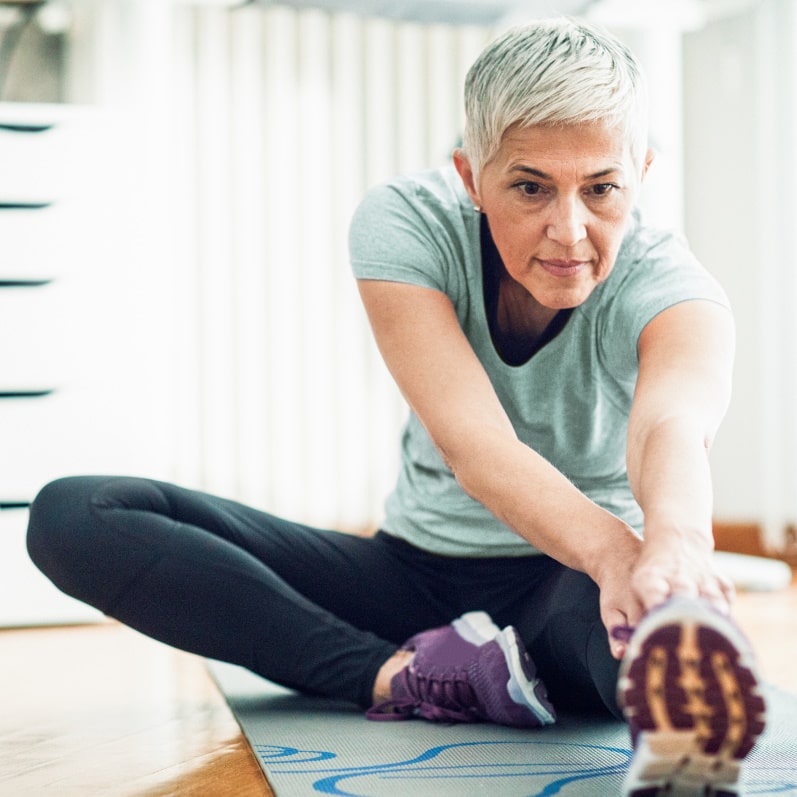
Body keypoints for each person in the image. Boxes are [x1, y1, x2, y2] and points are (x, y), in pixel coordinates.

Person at [26, 17, 766, 796]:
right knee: (76, 515)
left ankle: (627, 695)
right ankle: (403, 676)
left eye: (601, 189)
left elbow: (668, 426)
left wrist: (671, 548)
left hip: (568, 586)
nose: (567, 230)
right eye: (528, 186)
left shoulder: (673, 287)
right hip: (412, 579)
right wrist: (621, 551)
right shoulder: (407, 222)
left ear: (640, 174)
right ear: (469, 176)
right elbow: (473, 444)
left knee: (628, 630)